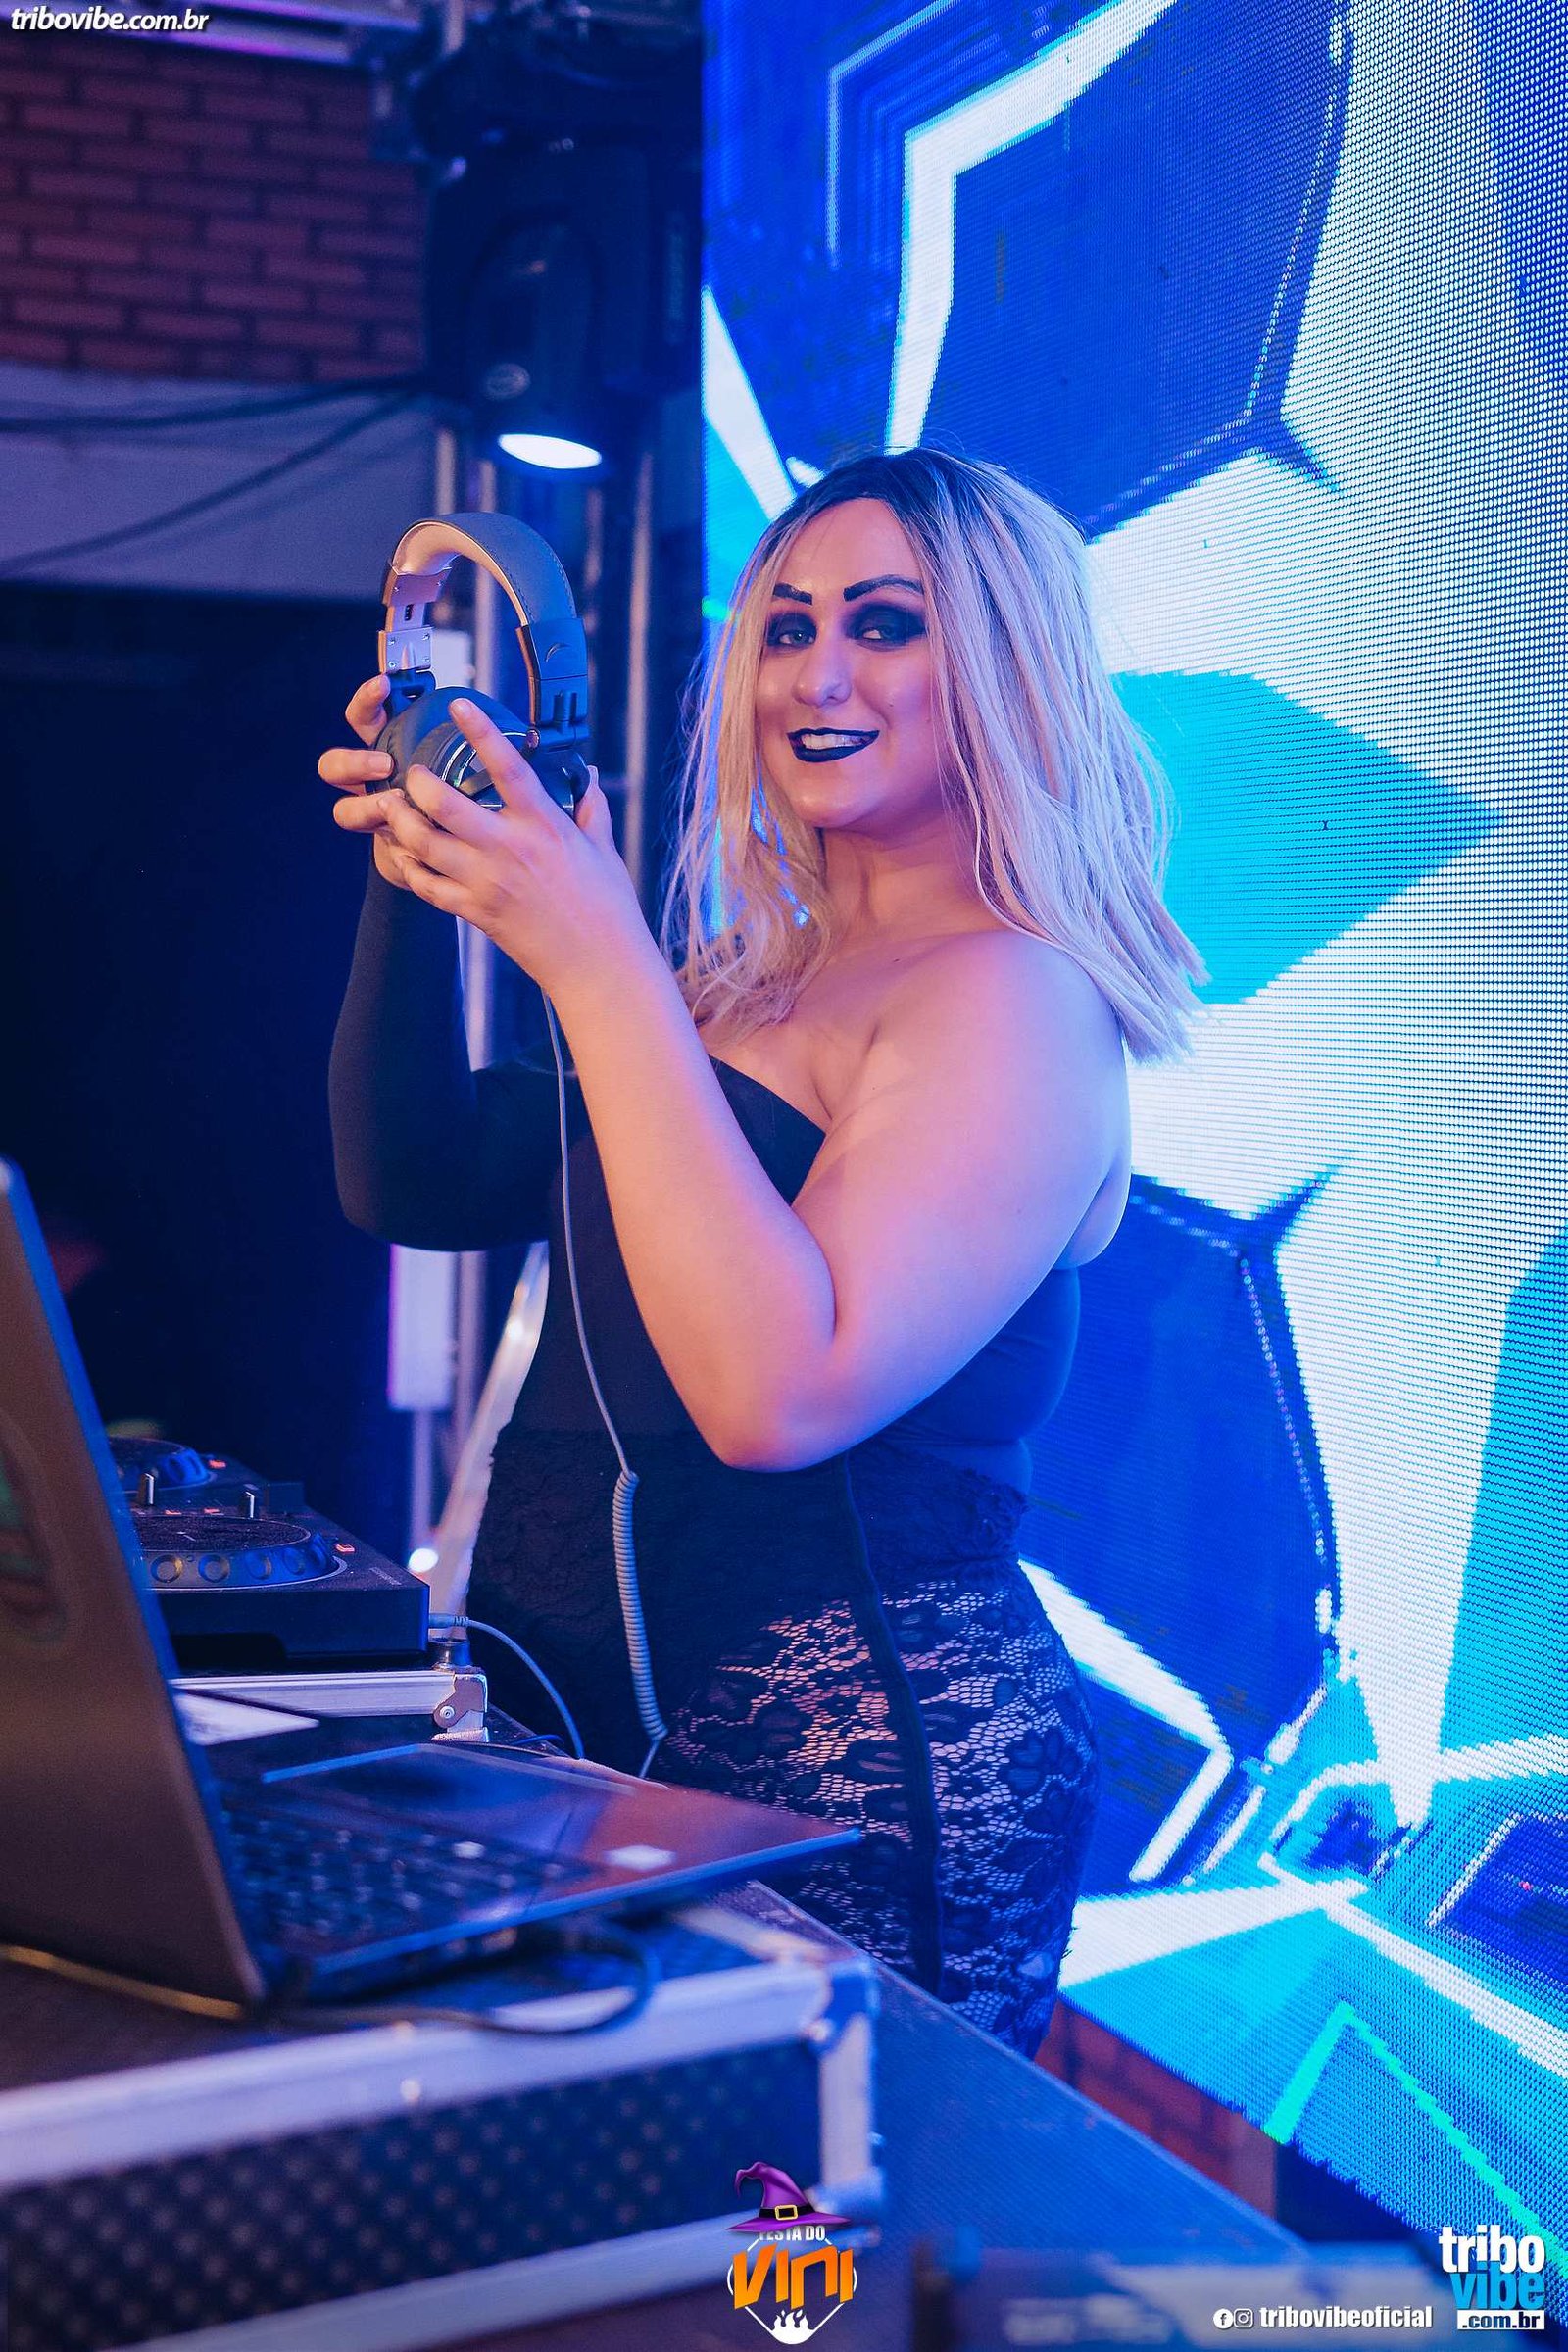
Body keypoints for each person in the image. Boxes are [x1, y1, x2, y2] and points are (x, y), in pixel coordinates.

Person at [324, 448, 1205, 2053]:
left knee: (829, 2217)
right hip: (576, 1732)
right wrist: (421, 869)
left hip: (850, 1769)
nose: (816, 673)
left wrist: (599, 961)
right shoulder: (736, 983)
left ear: (1005, 664)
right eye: (788, 627)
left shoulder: (1015, 994)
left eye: (884, 624)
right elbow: (419, 1177)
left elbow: (776, 1396)